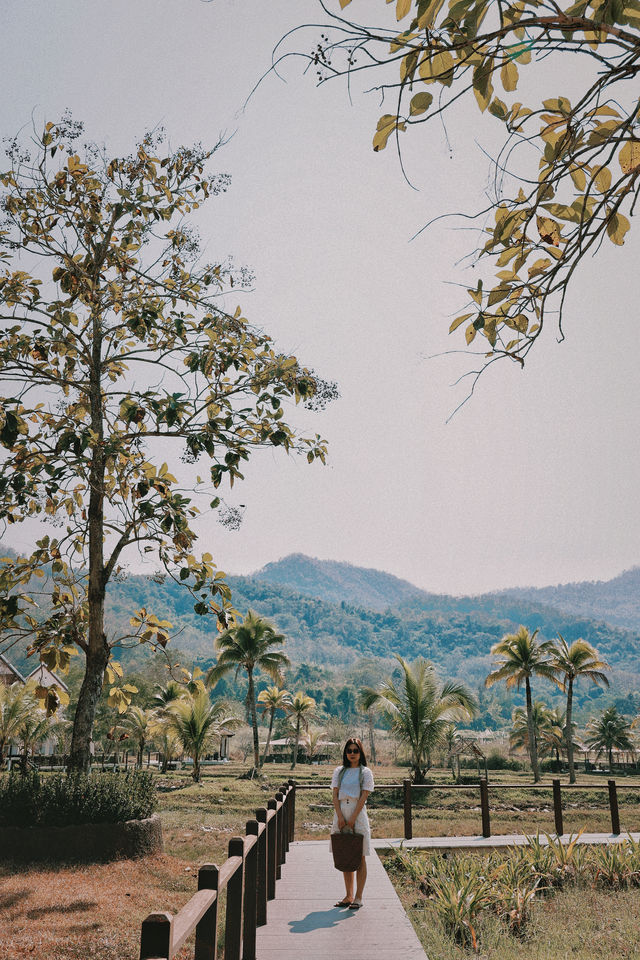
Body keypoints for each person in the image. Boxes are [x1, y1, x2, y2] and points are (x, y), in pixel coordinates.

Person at [330, 736, 374, 910]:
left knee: (360, 855)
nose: (352, 754)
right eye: (349, 751)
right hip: (341, 812)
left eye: (356, 750)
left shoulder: (365, 772)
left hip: (358, 813)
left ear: (360, 752)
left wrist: (353, 818)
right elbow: (334, 795)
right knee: (345, 853)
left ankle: (358, 897)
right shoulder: (339, 771)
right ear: (345, 753)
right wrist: (340, 816)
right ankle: (348, 895)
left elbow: (364, 796)